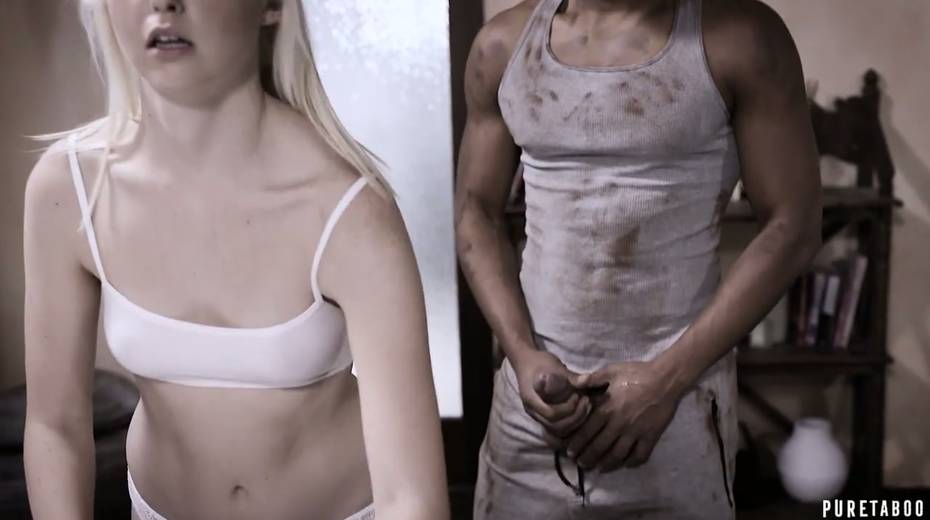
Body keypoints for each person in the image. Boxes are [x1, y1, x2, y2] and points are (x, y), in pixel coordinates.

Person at [22, 1, 449, 519]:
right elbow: (56, 427)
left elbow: (412, 497)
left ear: (271, 6)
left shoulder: (349, 211)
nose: (163, 3)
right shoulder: (67, 191)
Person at [456, 0, 821, 517]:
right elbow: (475, 210)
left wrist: (665, 381)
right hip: (534, 406)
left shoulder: (741, 36)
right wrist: (521, 354)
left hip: (676, 407)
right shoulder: (501, 46)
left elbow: (794, 225)